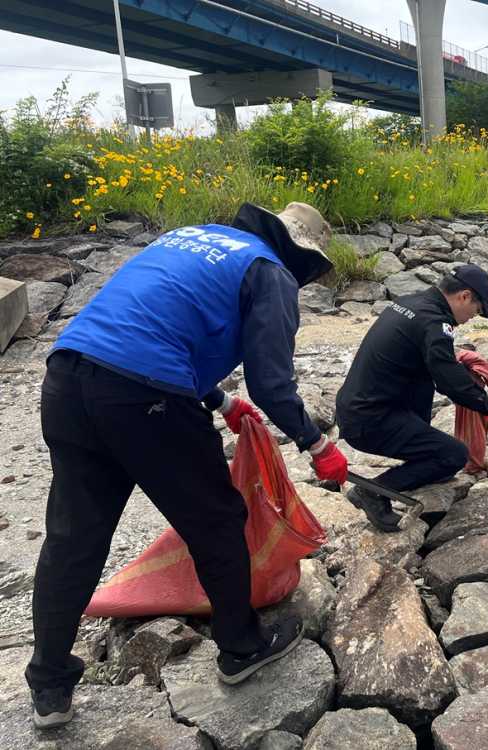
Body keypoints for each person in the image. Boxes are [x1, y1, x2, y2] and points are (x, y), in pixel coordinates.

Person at [26, 202, 351, 729]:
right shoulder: (270, 271)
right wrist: (317, 445)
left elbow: (153, 326)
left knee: (73, 539)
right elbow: (272, 382)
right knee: (218, 520)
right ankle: (242, 647)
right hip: (145, 399)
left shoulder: (191, 239)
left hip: (67, 379)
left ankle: (50, 686)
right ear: (300, 256)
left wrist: (222, 402)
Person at [335, 264, 488, 532]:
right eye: (476, 310)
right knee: (453, 456)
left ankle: (416, 464)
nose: (472, 317)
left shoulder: (411, 303)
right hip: (370, 421)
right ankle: (373, 491)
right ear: (464, 296)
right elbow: (449, 380)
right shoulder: (434, 322)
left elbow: (438, 365)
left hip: (357, 409)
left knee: (435, 445)